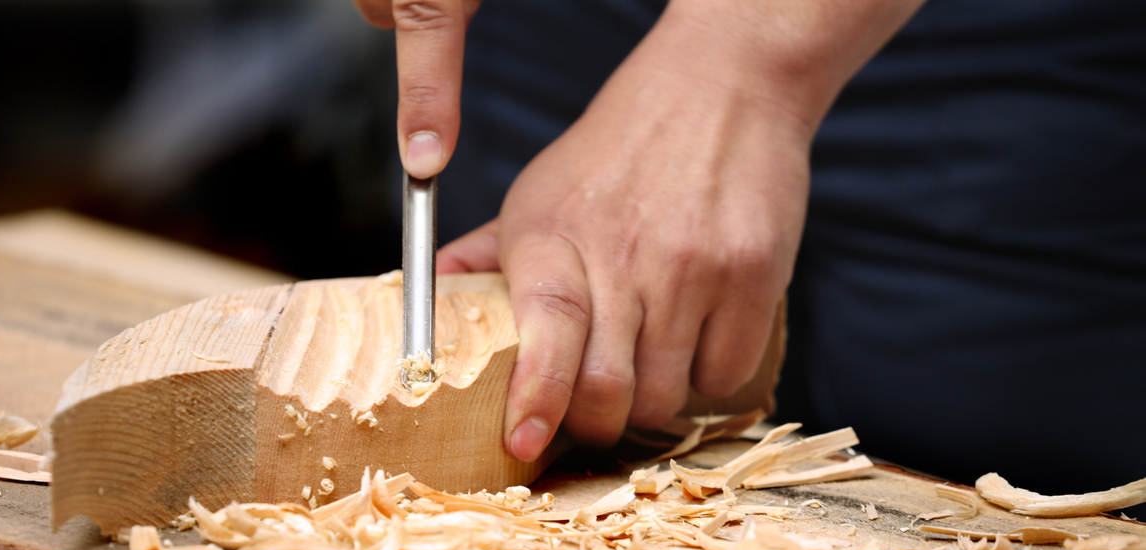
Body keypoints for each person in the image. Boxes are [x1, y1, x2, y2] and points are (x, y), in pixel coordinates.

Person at [353, 0, 1146, 502]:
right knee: (541, 373)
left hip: (1007, 41)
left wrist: (743, 54)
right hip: (567, 28)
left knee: (1005, 480)